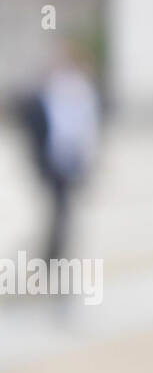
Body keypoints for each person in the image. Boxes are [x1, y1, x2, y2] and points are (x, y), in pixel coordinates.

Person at [19, 50, 100, 263]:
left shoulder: (78, 91)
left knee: (62, 213)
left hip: (68, 161)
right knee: (61, 212)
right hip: (55, 162)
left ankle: (51, 256)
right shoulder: (55, 92)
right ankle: (50, 257)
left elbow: (83, 129)